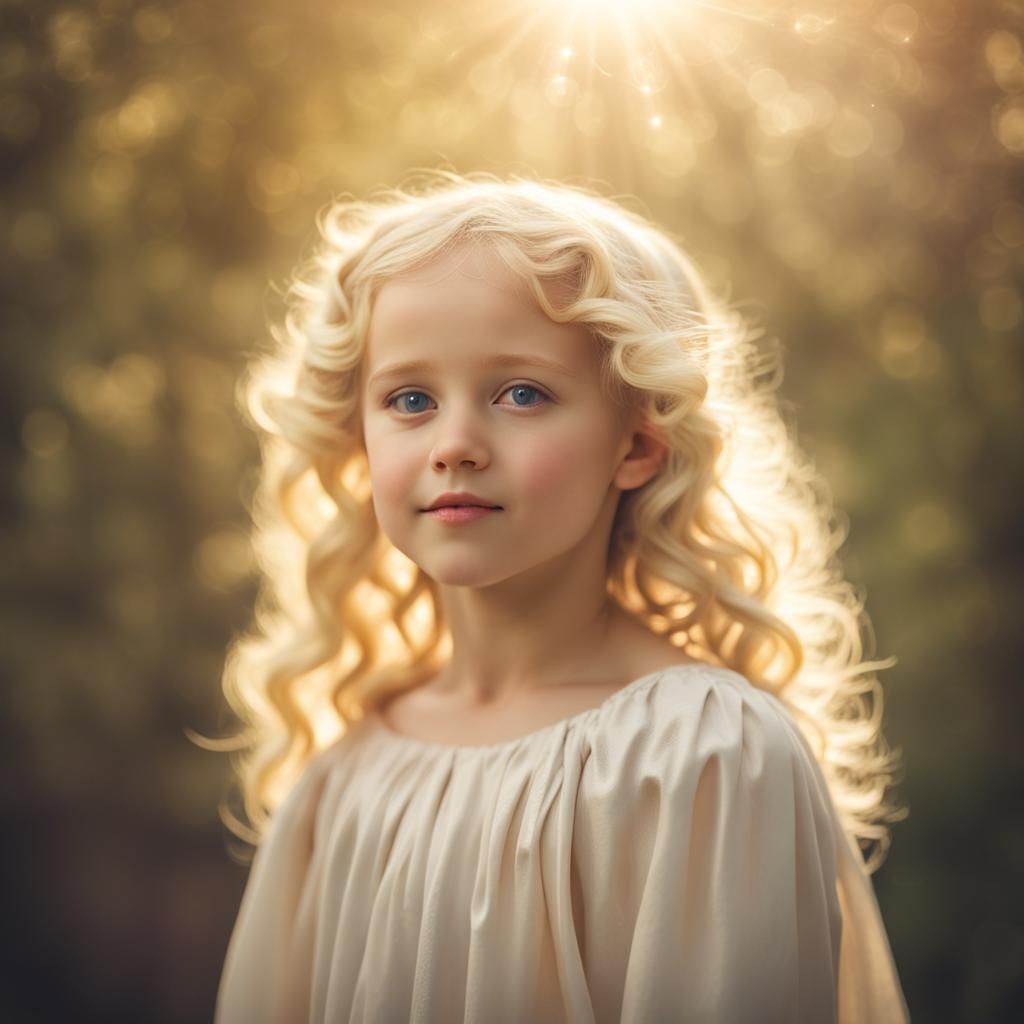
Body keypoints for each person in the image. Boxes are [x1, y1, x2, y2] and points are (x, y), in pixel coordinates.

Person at [206, 170, 911, 1022]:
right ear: (360, 435)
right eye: (410, 399)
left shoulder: (703, 755)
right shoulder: (343, 776)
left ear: (638, 446)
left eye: (521, 394)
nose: (455, 444)